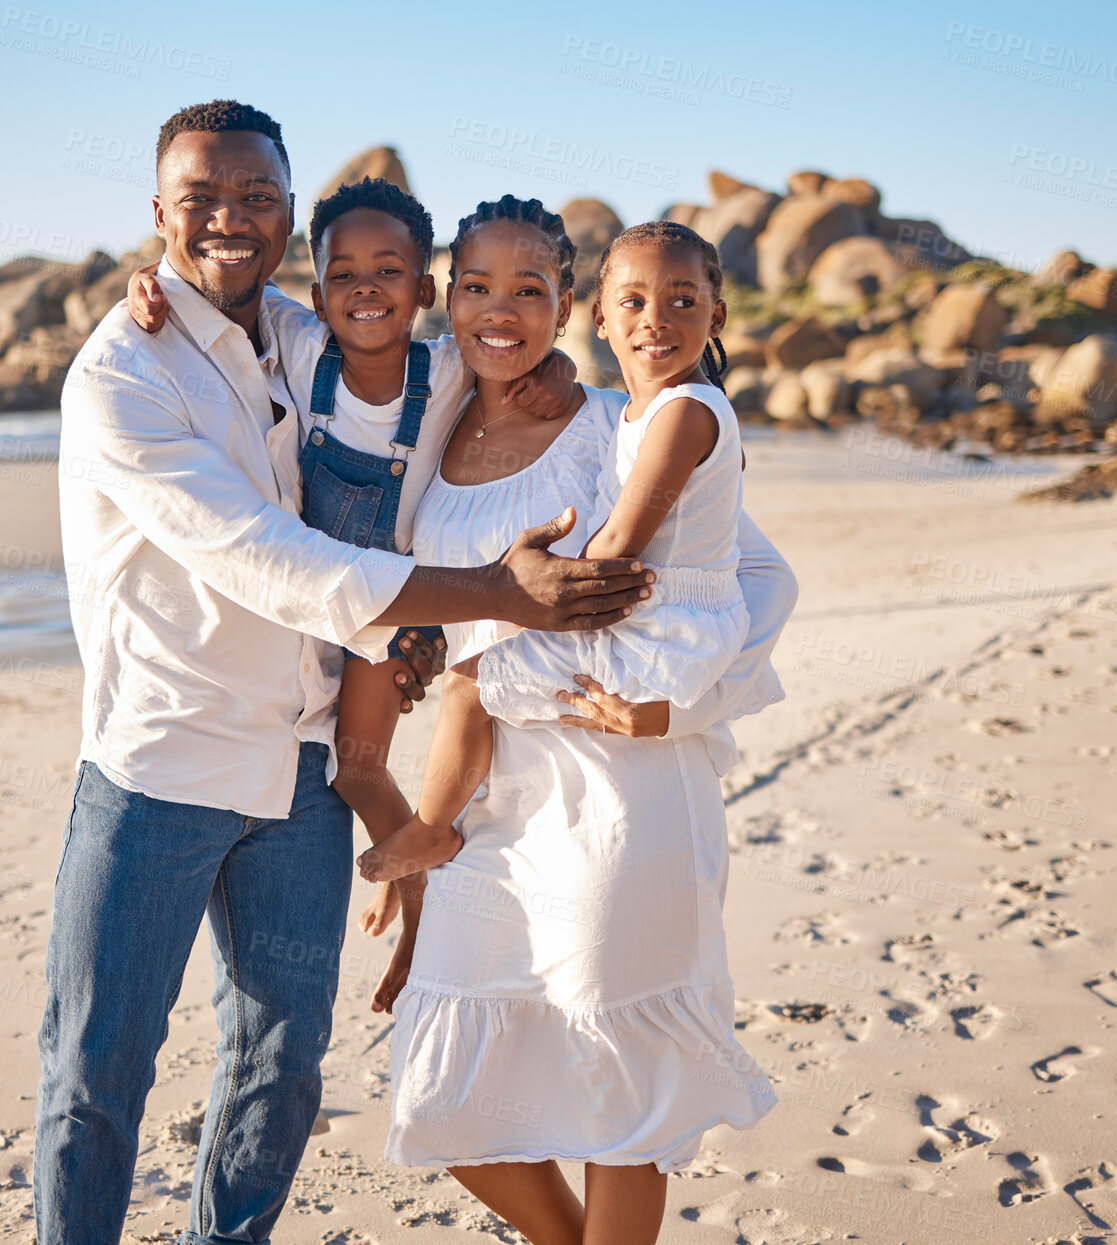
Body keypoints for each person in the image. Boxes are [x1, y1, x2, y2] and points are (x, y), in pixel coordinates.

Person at [36, 101, 655, 1245]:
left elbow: (482, 345)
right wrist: (490, 595)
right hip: (159, 763)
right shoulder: (122, 371)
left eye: (257, 198)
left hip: (302, 773)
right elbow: (266, 560)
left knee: (281, 1065)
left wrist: (572, 364)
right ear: (159, 211)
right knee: (97, 1067)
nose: (231, 219)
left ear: (286, 218)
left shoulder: (290, 325)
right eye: (203, 199)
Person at [373, 198, 783, 1245]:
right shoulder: (425, 424)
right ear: (446, 297)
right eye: (476, 286)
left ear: (568, 307)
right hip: (486, 795)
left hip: (619, 786)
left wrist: (676, 709)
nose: (499, 310)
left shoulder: (621, 424)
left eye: (528, 289)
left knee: (619, 1086)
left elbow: (756, 583)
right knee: (449, 1092)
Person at [122, 177, 580, 980]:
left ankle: (420, 893)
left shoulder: (446, 372)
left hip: (399, 604)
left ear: (425, 290)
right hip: (313, 606)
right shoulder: (298, 349)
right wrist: (142, 284)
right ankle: (417, 881)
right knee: (354, 766)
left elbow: (515, 346)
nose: (365, 288)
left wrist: (566, 368)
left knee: (357, 763)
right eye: (343, 275)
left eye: (389, 272)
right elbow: (212, 298)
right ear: (314, 292)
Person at [358, 218, 747, 884]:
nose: (655, 319)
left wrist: (678, 712)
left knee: (470, 679)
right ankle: (433, 829)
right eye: (475, 286)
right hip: (496, 804)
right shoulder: (432, 409)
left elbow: (728, 567)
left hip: (610, 775)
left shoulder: (648, 414)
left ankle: (428, 827)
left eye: (682, 300)